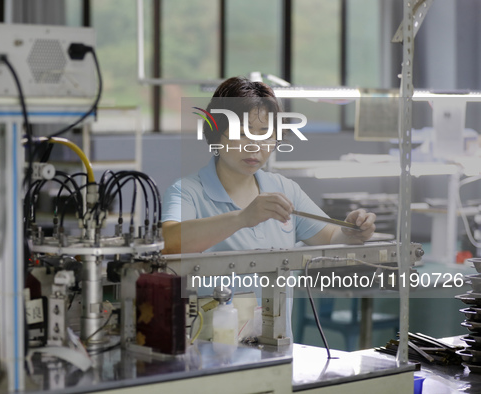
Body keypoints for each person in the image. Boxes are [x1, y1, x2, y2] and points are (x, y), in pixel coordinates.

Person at [161, 76, 376, 339]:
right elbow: (169, 243)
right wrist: (242, 218)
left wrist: (352, 232)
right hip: (212, 353)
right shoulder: (188, 191)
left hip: (275, 348)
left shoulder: (284, 189)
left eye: (265, 134)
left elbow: (329, 236)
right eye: (242, 133)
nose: (255, 146)